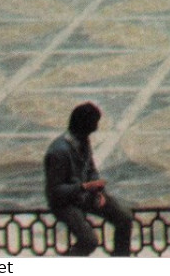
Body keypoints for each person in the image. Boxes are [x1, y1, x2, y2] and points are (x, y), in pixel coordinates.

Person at [44, 101, 133, 257]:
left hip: (86, 195)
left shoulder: (84, 141)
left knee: (124, 219)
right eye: (94, 124)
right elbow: (55, 190)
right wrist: (83, 187)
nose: (97, 128)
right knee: (88, 241)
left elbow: (91, 169)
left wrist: (98, 190)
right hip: (65, 203)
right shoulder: (58, 152)